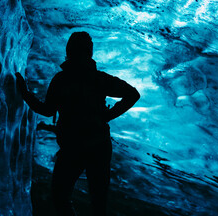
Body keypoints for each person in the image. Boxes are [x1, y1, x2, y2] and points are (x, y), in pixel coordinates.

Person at [15, 31, 140, 216]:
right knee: (98, 204)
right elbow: (133, 94)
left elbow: (48, 110)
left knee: (60, 198)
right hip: (98, 146)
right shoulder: (99, 79)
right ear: (90, 53)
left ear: (69, 51)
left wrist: (24, 93)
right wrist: (107, 116)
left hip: (74, 148)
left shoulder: (62, 79)